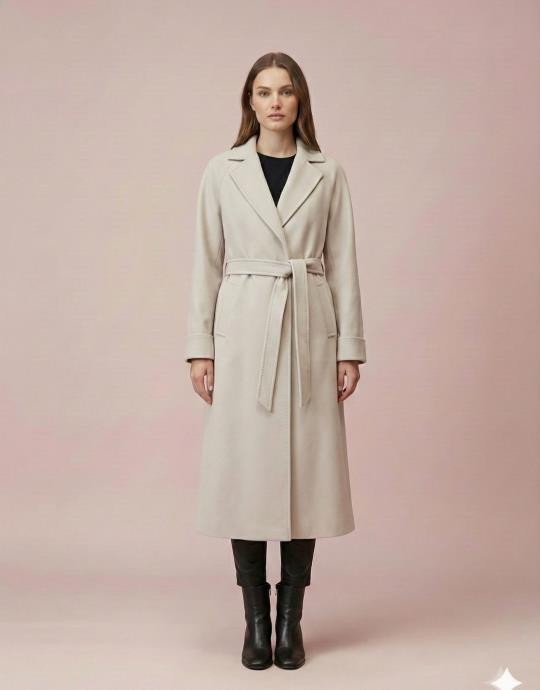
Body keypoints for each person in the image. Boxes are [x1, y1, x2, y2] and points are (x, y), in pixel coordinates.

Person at [185, 52, 367, 670]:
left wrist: (348, 348)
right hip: (243, 332)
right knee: (244, 473)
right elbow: (206, 261)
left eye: (285, 91)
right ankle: (255, 621)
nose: (275, 102)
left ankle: (291, 620)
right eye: (263, 92)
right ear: (250, 101)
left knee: (304, 476)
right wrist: (201, 347)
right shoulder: (221, 170)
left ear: (300, 100)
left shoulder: (328, 172)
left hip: (310, 327)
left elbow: (343, 261)